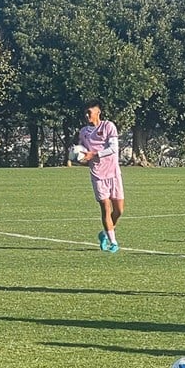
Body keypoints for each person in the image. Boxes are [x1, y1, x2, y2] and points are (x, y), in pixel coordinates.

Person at [78, 99, 124, 253]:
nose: (87, 115)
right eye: (85, 112)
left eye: (89, 112)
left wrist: (94, 154)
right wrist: (80, 158)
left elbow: (113, 148)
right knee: (105, 207)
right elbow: (83, 153)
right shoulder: (83, 132)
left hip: (113, 172)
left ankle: (104, 233)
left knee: (118, 211)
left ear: (98, 112)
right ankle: (113, 242)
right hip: (97, 174)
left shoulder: (108, 126)